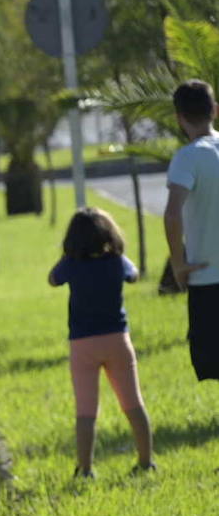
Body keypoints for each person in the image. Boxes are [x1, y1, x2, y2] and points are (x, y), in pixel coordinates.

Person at [49, 208, 153, 477]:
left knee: (86, 411)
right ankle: (145, 462)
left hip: (82, 344)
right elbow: (134, 274)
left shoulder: (71, 263)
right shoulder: (117, 261)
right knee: (133, 404)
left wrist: (68, 258)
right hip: (117, 339)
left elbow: (53, 279)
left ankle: (85, 469)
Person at [164, 79, 219, 383]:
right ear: (214, 110)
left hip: (207, 275)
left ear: (179, 117)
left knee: (212, 356)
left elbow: (172, 214)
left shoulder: (187, 157)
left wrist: (178, 263)